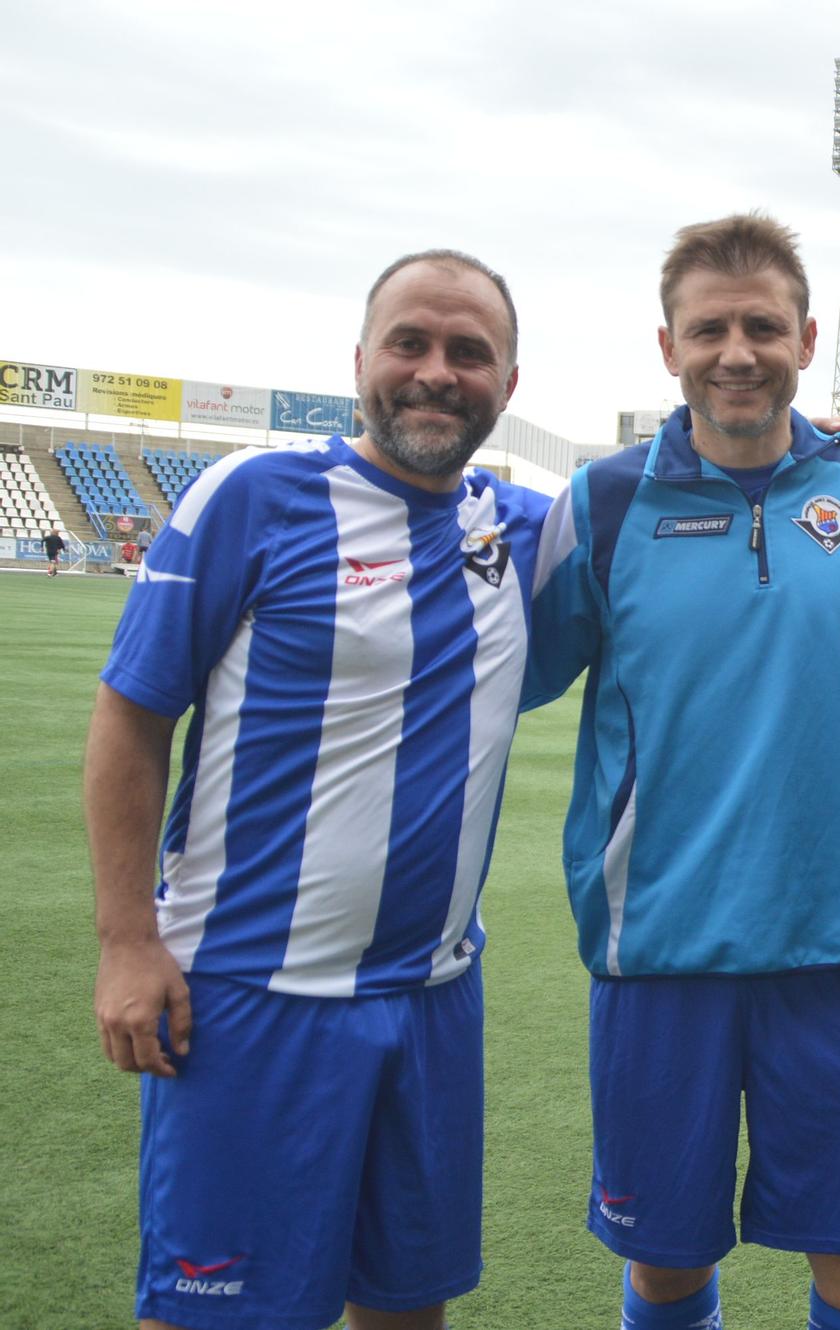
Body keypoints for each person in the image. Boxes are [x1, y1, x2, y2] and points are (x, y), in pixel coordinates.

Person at [86, 248, 549, 1330]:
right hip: (249, 996)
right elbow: (131, 714)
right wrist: (125, 940)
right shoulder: (254, 497)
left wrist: (828, 440)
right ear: (360, 361)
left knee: (404, 1308)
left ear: (509, 385)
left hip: (432, 998)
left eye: (469, 353)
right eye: (410, 343)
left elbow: (686, 477)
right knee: (214, 1314)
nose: (436, 372)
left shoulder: (520, 531)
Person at [524, 213, 840, 1330]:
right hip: (660, 956)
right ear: (668, 346)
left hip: (835, 952)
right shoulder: (604, 507)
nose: (736, 351)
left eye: (763, 325)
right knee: (666, 1265)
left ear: (805, 337)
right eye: (710, 328)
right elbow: (495, 673)